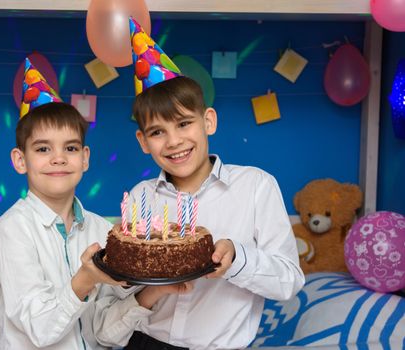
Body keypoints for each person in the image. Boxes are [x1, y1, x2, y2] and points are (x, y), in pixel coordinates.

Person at [93, 18, 305, 350]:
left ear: (208, 121)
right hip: (146, 341)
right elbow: (121, 289)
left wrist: (238, 258)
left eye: (183, 123)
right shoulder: (141, 197)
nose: (174, 141)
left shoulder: (255, 187)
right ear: (143, 141)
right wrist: (123, 264)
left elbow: (289, 281)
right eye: (157, 132)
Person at [0, 58, 124, 349]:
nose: (58, 158)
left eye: (70, 148)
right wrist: (85, 278)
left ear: (85, 158)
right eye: (43, 148)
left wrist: (150, 294)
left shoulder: (101, 229)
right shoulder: (13, 230)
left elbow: (104, 333)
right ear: (20, 160)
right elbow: (40, 329)